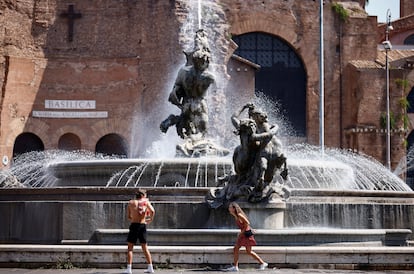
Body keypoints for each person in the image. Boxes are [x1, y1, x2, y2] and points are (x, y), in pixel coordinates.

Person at [226, 202, 268, 272]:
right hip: (244, 234)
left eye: (230, 207)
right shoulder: (236, 216)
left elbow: (247, 223)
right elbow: (245, 224)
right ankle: (262, 263)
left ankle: (262, 263)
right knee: (244, 250)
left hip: (246, 235)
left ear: (234, 208)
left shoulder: (239, 215)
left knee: (240, 249)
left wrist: (241, 233)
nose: (229, 208)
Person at [124, 189, 155, 274]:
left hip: (134, 225)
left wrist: (134, 217)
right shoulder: (145, 202)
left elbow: (129, 217)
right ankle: (150, 267)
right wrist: (150, 219)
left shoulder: (131, 203)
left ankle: (129, 269)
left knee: (130, 248)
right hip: (142, 225)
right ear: (143, 195)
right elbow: (152, 211)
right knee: (145, 247)